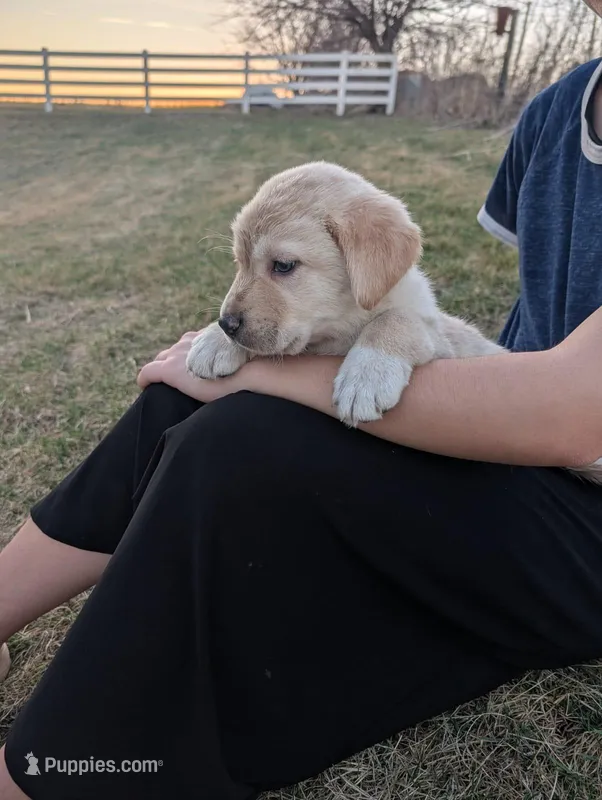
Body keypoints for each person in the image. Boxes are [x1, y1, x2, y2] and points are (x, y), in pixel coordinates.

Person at [1, 9, 602, 796]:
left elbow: (573, 413)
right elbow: (535, 329)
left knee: (238, 436)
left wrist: (264, 374)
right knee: (180, 400)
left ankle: (34, 780)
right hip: (512, 443)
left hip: (583, 507)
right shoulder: (561, 106)